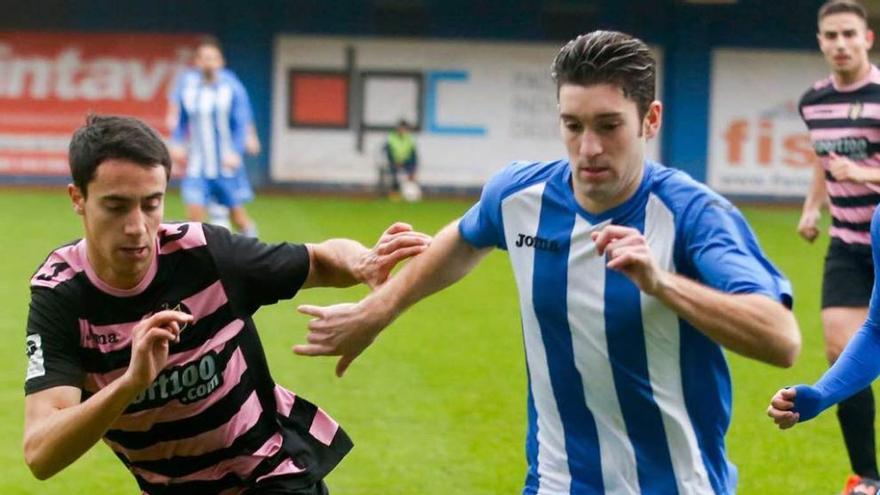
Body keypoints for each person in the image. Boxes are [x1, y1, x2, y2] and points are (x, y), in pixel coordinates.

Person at [294, 30, 801, 494]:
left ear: (651, 119)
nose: (589, 148)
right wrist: (377, 311)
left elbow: (781, 339)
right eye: (573, 125)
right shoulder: (521, 196)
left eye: (609, 126)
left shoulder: (695, 215)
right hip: (557, 483)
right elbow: (464, 239)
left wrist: (662, 283)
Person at [22, 115, 430, 494]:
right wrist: (132, 382)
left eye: (151, 204)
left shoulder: (204, 254)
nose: (137, 227)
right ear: (78, 198)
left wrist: (362, 262)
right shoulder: (61, 294)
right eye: (116, 206)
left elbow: (320, 259)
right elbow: (41, 454)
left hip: (269, 472)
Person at [794, 1, 880, 491]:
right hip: (848, 243)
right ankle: (867, 477)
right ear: (821, 41)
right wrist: (812, 205)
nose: (840, 43)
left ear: (866, 39)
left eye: (850, 33)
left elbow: (849, 167)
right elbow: (822, 162)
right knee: (840, 350)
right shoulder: (813, 102)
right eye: (831, 35)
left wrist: (864, 172)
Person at [169, 36, 260, 236]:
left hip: (226, 166)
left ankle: (254, 250)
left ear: (221, 62)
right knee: (193, 220)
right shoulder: (188, 86)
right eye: (204, 58)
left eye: (213, 58)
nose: (209, 62)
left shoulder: (231, 87)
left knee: (238, 218)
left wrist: (236, 151)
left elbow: (241, 121)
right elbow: (182, 119)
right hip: (197, 165)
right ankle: (202, 264)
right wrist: (177, 142)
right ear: (197, 61)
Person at [384, 120, 421, 201]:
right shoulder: (391, 138)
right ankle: (394, 195)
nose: (402, 130)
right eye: (401, 128)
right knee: (394, 175)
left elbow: (413, 154)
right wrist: (394, 161)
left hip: (406, 162)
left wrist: (410, 164)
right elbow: (388, 152)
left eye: (404, 128)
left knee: (412, 172)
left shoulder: (409, 139)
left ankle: (412, 194)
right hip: (394, 162)